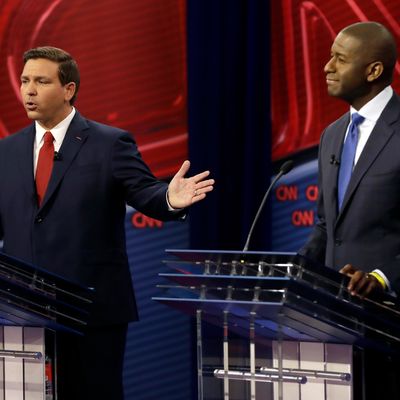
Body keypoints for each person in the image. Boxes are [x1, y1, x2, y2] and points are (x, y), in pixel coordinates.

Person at [0, 46, 214, 399]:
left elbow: (146, 193)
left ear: (68, 89)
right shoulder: (7, 151)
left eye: (41, 81)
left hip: (91, 313)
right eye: (24, 81)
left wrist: (169, 199)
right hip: (24, 314)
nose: (29, 91)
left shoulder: (109, 143)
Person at [299, 21, 400, 399]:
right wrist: (289, 272)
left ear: (373, 70)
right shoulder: (332, 134)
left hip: (389, 325)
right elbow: (327, 226)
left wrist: (382, 277)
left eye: (339, 59)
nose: (326, 67)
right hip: (334, 325)